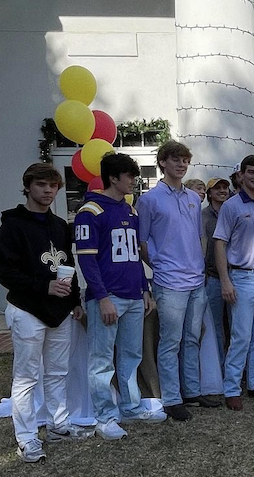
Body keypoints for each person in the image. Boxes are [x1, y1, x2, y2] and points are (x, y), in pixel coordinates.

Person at [0, 164, 91, 462]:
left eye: (53, 186)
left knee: (57, 372)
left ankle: (58, 425)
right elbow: (4, 271)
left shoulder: (60, 226)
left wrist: (74, 299)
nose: (48, 190)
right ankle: (26, 438)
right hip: (27, 309)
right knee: (26, 377)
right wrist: (44, 287)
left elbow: (67, 267)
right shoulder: (12, 225)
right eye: (41, 185)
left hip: (61, 310)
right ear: (28, 186)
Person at [75, 153, 166, 440]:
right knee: (102, 359)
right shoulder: (90, 211)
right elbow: (87, 260)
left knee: (131, 354)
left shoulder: (131, 211)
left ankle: (130, 406)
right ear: (113, 178)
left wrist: (145, 289)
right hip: (108, 296)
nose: (134, 182)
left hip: (133, 295)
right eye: (129, 176)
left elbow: (135, 257)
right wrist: (101, 298)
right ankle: (104, 417)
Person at [137, 140, 219, 422]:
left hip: (196, 279)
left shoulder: (193, 199)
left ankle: (191, 391)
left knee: (193, 338)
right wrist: (159, 265)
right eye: (175, 160)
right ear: (163, 162)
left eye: (185, 160)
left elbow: (200, 235)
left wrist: (198, 263)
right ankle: (172, 398)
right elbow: (142, 241)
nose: (181, 165)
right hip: (169, 282)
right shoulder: (149, 200)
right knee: (170, 341)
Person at [214, 155, 254, 408]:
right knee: (241, 336)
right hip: (242, 277)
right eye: (250, 172)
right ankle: (231, 388)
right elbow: (220, 243)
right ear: (242, 175)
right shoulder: (231, 206)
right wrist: (225, 280)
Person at [202, 176, 231, 371]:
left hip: (235, 276)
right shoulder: (201, 216)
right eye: (217, 188)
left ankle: (236, 368)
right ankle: (219, 368)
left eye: (225, 188)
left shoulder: (233, 211)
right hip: (212, 277)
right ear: (209, 193)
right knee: (216, 327)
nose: (222, 191)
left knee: (237, 326)